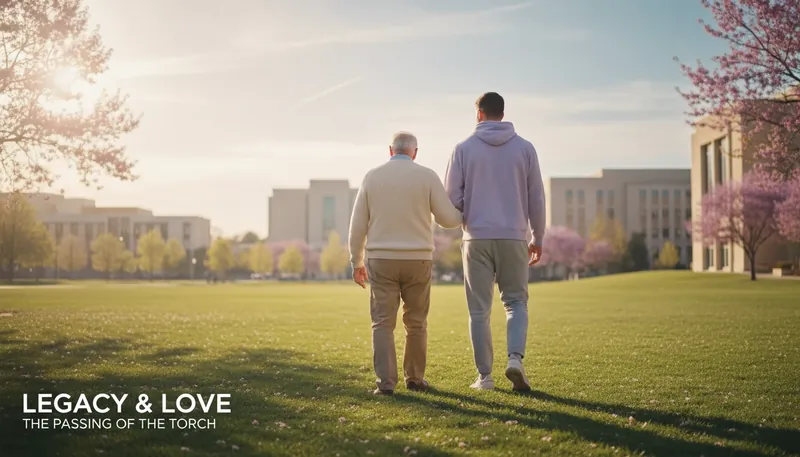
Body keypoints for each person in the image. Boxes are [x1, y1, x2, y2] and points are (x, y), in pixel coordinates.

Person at [444, 92, 546, 391]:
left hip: (476, 237)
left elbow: (452, 199)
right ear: (503, 113)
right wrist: (537, 237)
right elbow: (536, 198)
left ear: (479, 114)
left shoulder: (462, 149)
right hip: (514, 236)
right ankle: (515, 359)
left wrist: (466, 214)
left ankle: (484, 377)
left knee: (479, 311)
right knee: (516, 302)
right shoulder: (525, 149)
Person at [349, 132, 462, 396]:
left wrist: (356, 261)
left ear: (390, 150)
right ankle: (415, 378)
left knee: (382, 323)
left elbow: (357, 226)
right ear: (415, 152)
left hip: (381, 259)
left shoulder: (371, 177)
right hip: (418, 259)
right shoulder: (427, 176)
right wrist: (464, 210)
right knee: (417, 322)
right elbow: (448, 219)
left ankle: (385, 384)